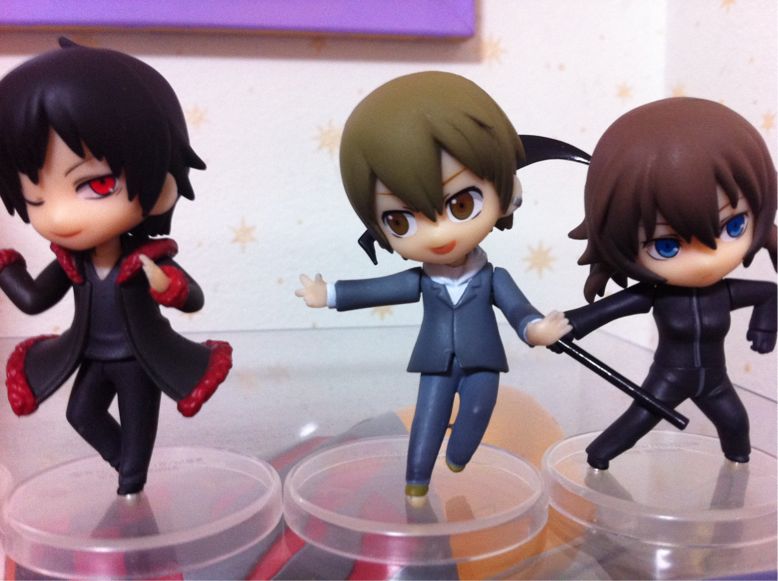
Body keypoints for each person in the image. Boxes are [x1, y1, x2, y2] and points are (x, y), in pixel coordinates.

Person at [296, 71, 586, 496]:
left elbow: (518, 310)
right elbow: (379, 288)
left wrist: (536, 329)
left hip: (483, 360)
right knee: (428, 417)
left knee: (480, 408)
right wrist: (331, 294)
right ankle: (416, 481)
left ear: (508, 193)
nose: (437, 234)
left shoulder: (493, 278)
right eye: (400, 220)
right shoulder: (420, 280)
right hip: (435, 362)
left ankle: (458, 456)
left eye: (461, 204)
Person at [0, 39, 232, 494]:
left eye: (97, 184)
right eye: (36, 196)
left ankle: (131, 485)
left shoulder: (148, 258)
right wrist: (7, 272)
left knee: (138, 435)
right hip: (90, 354)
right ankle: (126, 467)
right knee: (80, 413)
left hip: (139, 359)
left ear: (162, 186)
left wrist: (167, 286)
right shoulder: (73, 261)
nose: (60, 217)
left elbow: (193, 297)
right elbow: (34, 299)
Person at [564, 97, 777, 469]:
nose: (708, 258)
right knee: (636, 422)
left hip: (716, 381)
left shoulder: (725, 292)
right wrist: (568, 325)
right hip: (669, 378)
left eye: (733, 226)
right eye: (667, 245)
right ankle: (597, 460)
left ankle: (736, 476)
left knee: (736, 425)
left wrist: (764, 326)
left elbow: (770, 293)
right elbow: (606, 310)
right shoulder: (655, 295)